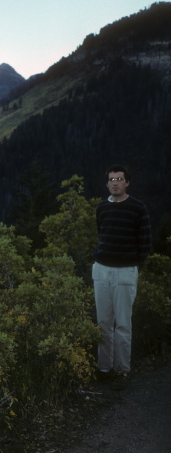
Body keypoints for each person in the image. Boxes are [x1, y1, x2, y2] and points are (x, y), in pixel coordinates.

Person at [92, 164, 151, 390]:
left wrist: (136, 266)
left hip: (125, 271)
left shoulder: (138, 208)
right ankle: (104, 368)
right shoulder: (101, 208)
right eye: (111, 179)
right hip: (102, 270)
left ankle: (122, 370)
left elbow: (145, 241)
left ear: (127, 182)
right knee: (103, 323)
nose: (115, 182)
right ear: (107, 183)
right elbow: (101, 233)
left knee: (123, 324)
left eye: (119, 179)